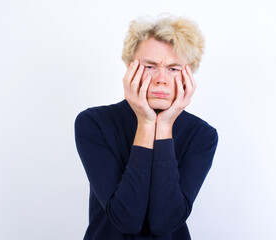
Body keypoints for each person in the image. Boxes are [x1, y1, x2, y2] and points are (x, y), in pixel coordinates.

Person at [74, 15, 219, 240]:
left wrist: (164, 126)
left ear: (187, 75)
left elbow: (164, 222)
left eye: (173, 68)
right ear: (131, 69)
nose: (161, 79)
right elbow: (126, 219)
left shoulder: (202, 135)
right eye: (150, 66)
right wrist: (146, 123)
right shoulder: (94, 123)